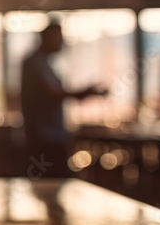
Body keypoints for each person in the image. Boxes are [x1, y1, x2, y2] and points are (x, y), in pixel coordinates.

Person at [20, 22, 106, 177]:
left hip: (50, 136)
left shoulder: (42, 63)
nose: (62, 41)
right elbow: (53, 94)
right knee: (51, 184)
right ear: (46, 37)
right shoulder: (34, 63)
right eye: (58, 37)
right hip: (44, 139)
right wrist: (84, 93)